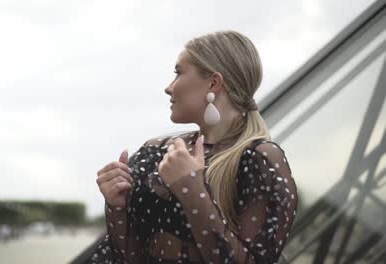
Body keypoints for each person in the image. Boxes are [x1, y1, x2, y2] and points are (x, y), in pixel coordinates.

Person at [92, 30, 298, 263]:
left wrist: (191, 190)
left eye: (178, 73)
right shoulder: (154, 151)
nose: (169, 87)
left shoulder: (259, 160)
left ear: (214, 82)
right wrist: (116, 206)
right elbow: (127, 258)